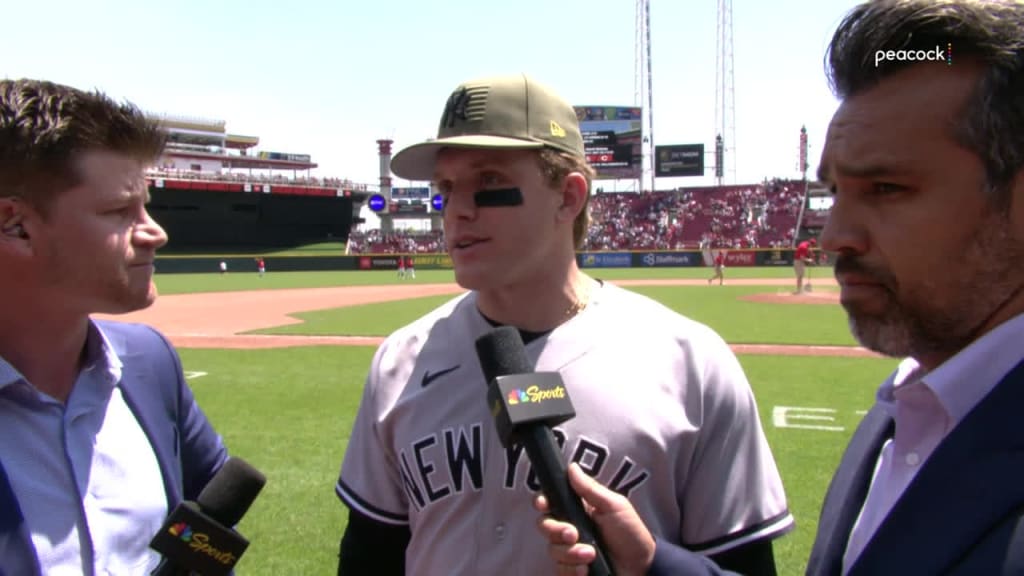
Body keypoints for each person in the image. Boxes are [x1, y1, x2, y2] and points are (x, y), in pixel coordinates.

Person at [535, 1, 1024, 574]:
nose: (833, 235)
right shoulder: (911, 401)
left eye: (887, 188)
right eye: (834, 192)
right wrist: (652, 563)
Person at [334, 73, 793, 576]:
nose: (458, 210)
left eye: (489, 183)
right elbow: (369, 554)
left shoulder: (692, 364)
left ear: (568, 197)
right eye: (446, 187)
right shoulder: (400, 359)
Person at [0, 78, 228, 574]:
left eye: (145, 205)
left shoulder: (150, 364)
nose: (155, 233)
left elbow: (210, 525)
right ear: (15, 225)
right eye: (119, 211)